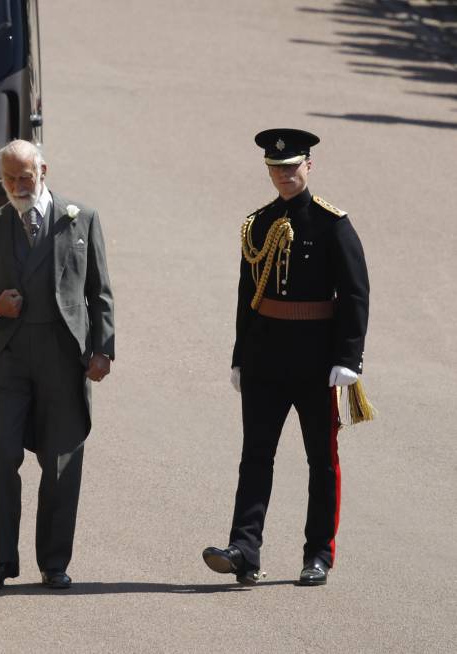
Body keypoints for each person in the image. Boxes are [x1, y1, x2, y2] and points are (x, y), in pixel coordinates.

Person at [202, 128, 370, 587]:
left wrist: (349, 357)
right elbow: (246, 296)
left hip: (318, 363)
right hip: (264, 360)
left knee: (322, 460)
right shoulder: (257, 224)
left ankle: (318, 554)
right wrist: (240, 356)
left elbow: (355, 293)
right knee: (255, 456)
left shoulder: (332, 224)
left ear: (308, 167)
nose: (284, 174)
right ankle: (243, 550)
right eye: (276, 168)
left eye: (292, 167)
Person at [0, 139, 115, 590]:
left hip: (64, 356)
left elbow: (99, 291)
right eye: (9, 178)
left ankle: (54, 562)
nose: (19, 186)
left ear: (43, 169)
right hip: (10, 357)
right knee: (3, 454)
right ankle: (2, 561)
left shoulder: (79, 218)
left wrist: (103, 349)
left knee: (61, 460)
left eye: (26, 176)